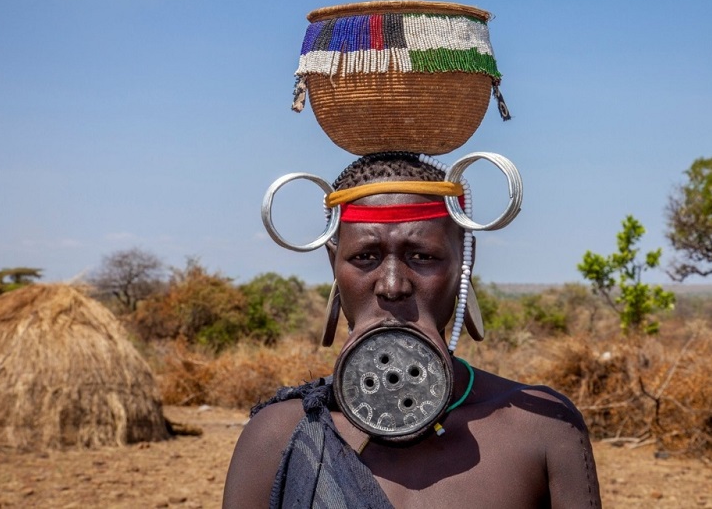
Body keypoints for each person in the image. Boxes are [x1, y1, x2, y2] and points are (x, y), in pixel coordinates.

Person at [223, 152, 602, 508]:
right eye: (364, 257)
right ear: (333, 264)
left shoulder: (543, 428)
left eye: (422, 256)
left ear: (465, 263)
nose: (392, 286)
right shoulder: (278, 436)